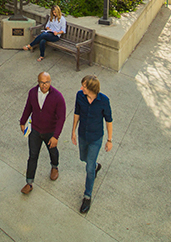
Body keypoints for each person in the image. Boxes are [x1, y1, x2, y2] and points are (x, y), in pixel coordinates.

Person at [71, 75, 113, 214]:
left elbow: (108, 120)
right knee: (83, 158)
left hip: (96, 138)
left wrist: (109, 140)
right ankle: (95, 166)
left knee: (88, 168)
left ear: (91, 89)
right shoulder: (80, 96)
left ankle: (87, 196)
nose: (81, 88)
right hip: (83, 135)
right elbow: (77, 112)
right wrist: (73, 131)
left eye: (84, 86)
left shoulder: (104, 101)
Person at [19, 71, 66, 194]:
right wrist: (22, 121)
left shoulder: (57, 97)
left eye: (47, 82)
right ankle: (29, 183)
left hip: (50, 131)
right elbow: (28, 107)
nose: (44, 85)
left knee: (53, 151)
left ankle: (54, 166)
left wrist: (56, 136)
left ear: (50, 82)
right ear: (38, 82)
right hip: (35, 130)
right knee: (33, 156)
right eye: (42, 82)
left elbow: (61, 118)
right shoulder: (32, 93)